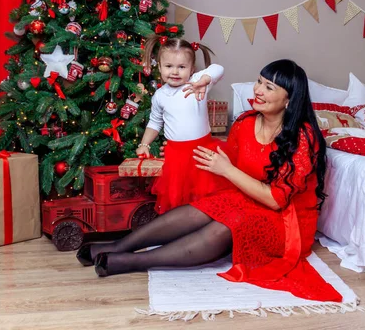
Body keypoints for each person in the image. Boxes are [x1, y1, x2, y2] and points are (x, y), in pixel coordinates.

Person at [77, 59, 342, 303]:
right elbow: (230, 160)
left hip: (287, 219)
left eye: (269, 87)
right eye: (259, 81)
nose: (258, 90)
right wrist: (177, 150)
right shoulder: (246, 123)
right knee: (207, 207)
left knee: (230, 222)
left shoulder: (303, 138)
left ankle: (130, 262)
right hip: (251, 196)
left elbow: (276, 200)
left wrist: (226, 171)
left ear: (288, 99)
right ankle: (117, 246)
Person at [135, 35, 230, 214]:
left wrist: (204, 79)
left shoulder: (198, 83)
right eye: (169, 66)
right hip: (176, 155)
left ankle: (201, 232)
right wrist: (144, 144)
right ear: (160, 67)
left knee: (203, 197)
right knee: (178, 197)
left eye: (182, 67)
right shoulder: (160, 96)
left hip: (202, 151)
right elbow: (155, 123)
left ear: (192, 69)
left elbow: (219, 68)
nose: (175, 72)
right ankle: (179, 231)